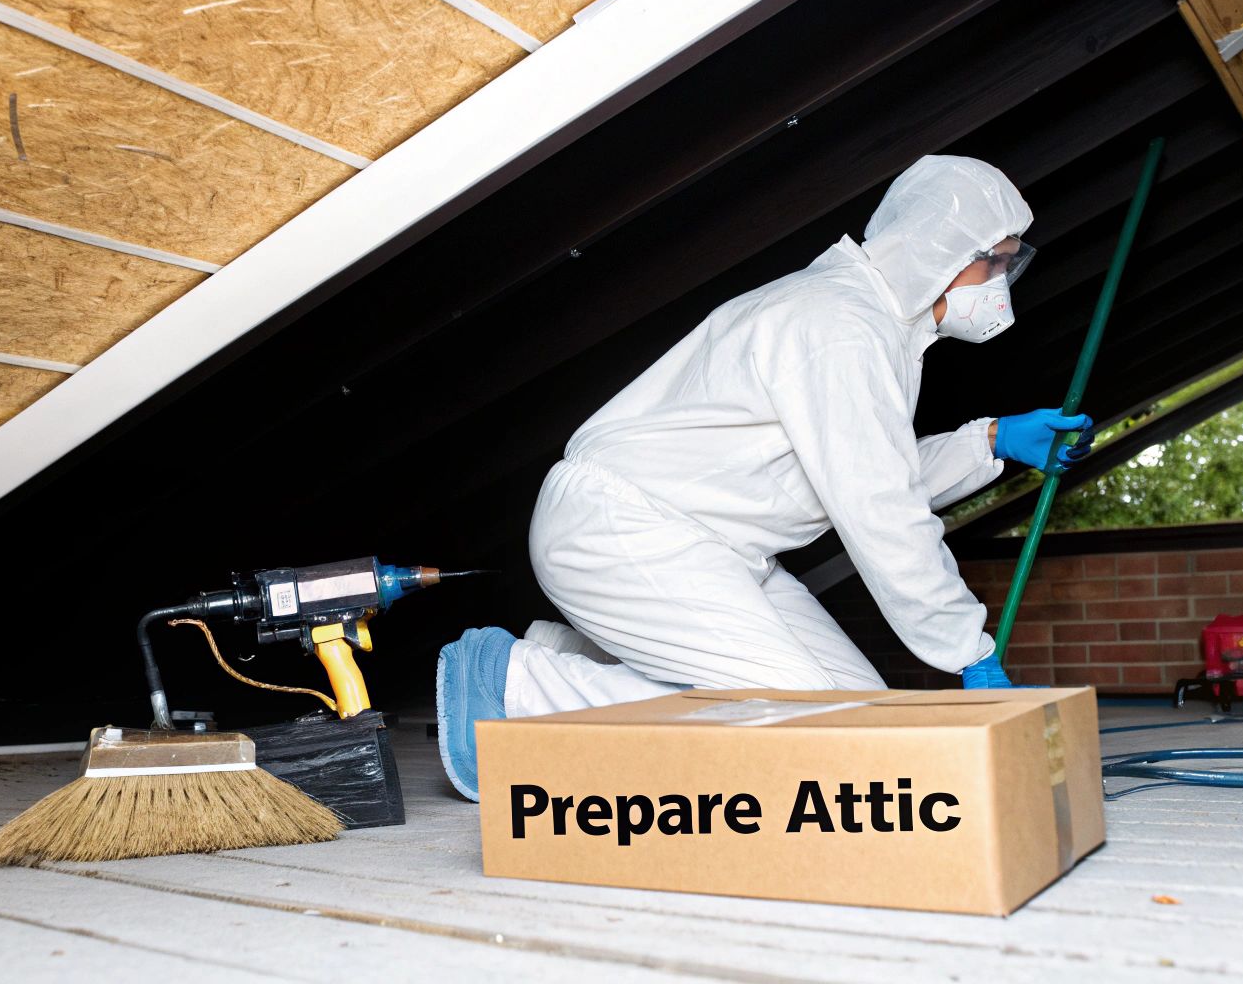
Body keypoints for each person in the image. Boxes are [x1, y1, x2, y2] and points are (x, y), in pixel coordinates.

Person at [435, 156, 1092, 800]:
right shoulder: (839, 328)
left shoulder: (878, 327)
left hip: (714, 548)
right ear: (936, 252)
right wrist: (967, 651)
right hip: (624, 529)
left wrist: (989, 442)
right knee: (799, 725)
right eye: (996, 261)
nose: (1002, 282)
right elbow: (880, 510)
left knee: (865, 723)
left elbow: (866, 474)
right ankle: (517, 685)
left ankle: (587, 653)